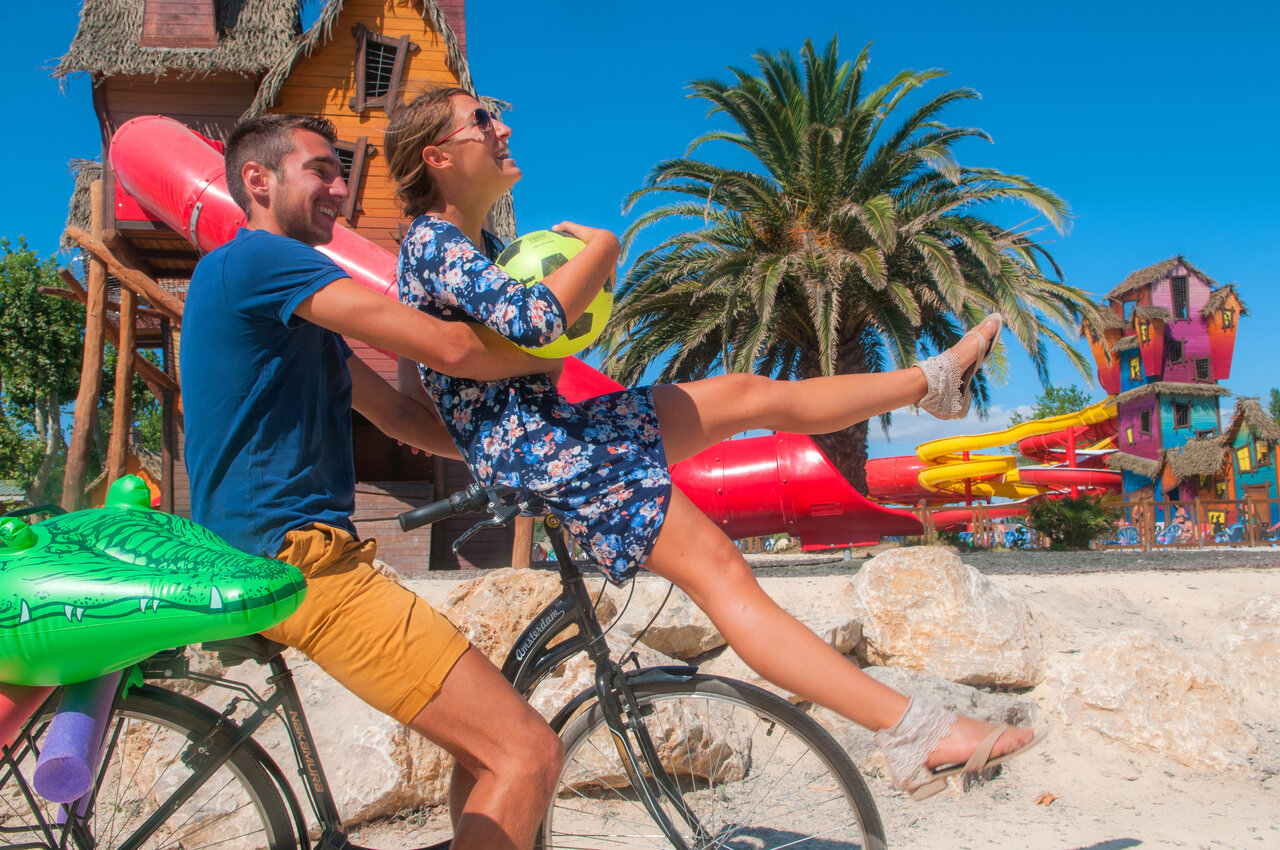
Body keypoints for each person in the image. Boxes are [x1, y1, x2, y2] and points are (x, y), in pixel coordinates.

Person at [385, 87, 1043, 801]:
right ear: (438, 155)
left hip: (558, 432)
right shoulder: (431, 244)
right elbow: (540, 320)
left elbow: (453, 383)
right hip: (555, 452)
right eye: (482, 119)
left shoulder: (463, 250)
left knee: (746, 394)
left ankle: (933, 383)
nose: (502, 126)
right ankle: (918, 734)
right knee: (725, 578)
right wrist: (604, 246)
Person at [180, 113, 564, 850]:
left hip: (288, 554)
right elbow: (454, 344)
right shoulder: (261, 261)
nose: (340, 190)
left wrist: (514, 461)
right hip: (299, 563)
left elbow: (398, 415)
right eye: (320, 170)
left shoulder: (288, 310)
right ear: (256, 181)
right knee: (528, 752)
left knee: (486, 745)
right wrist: (550, 353)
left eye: (341, 174)